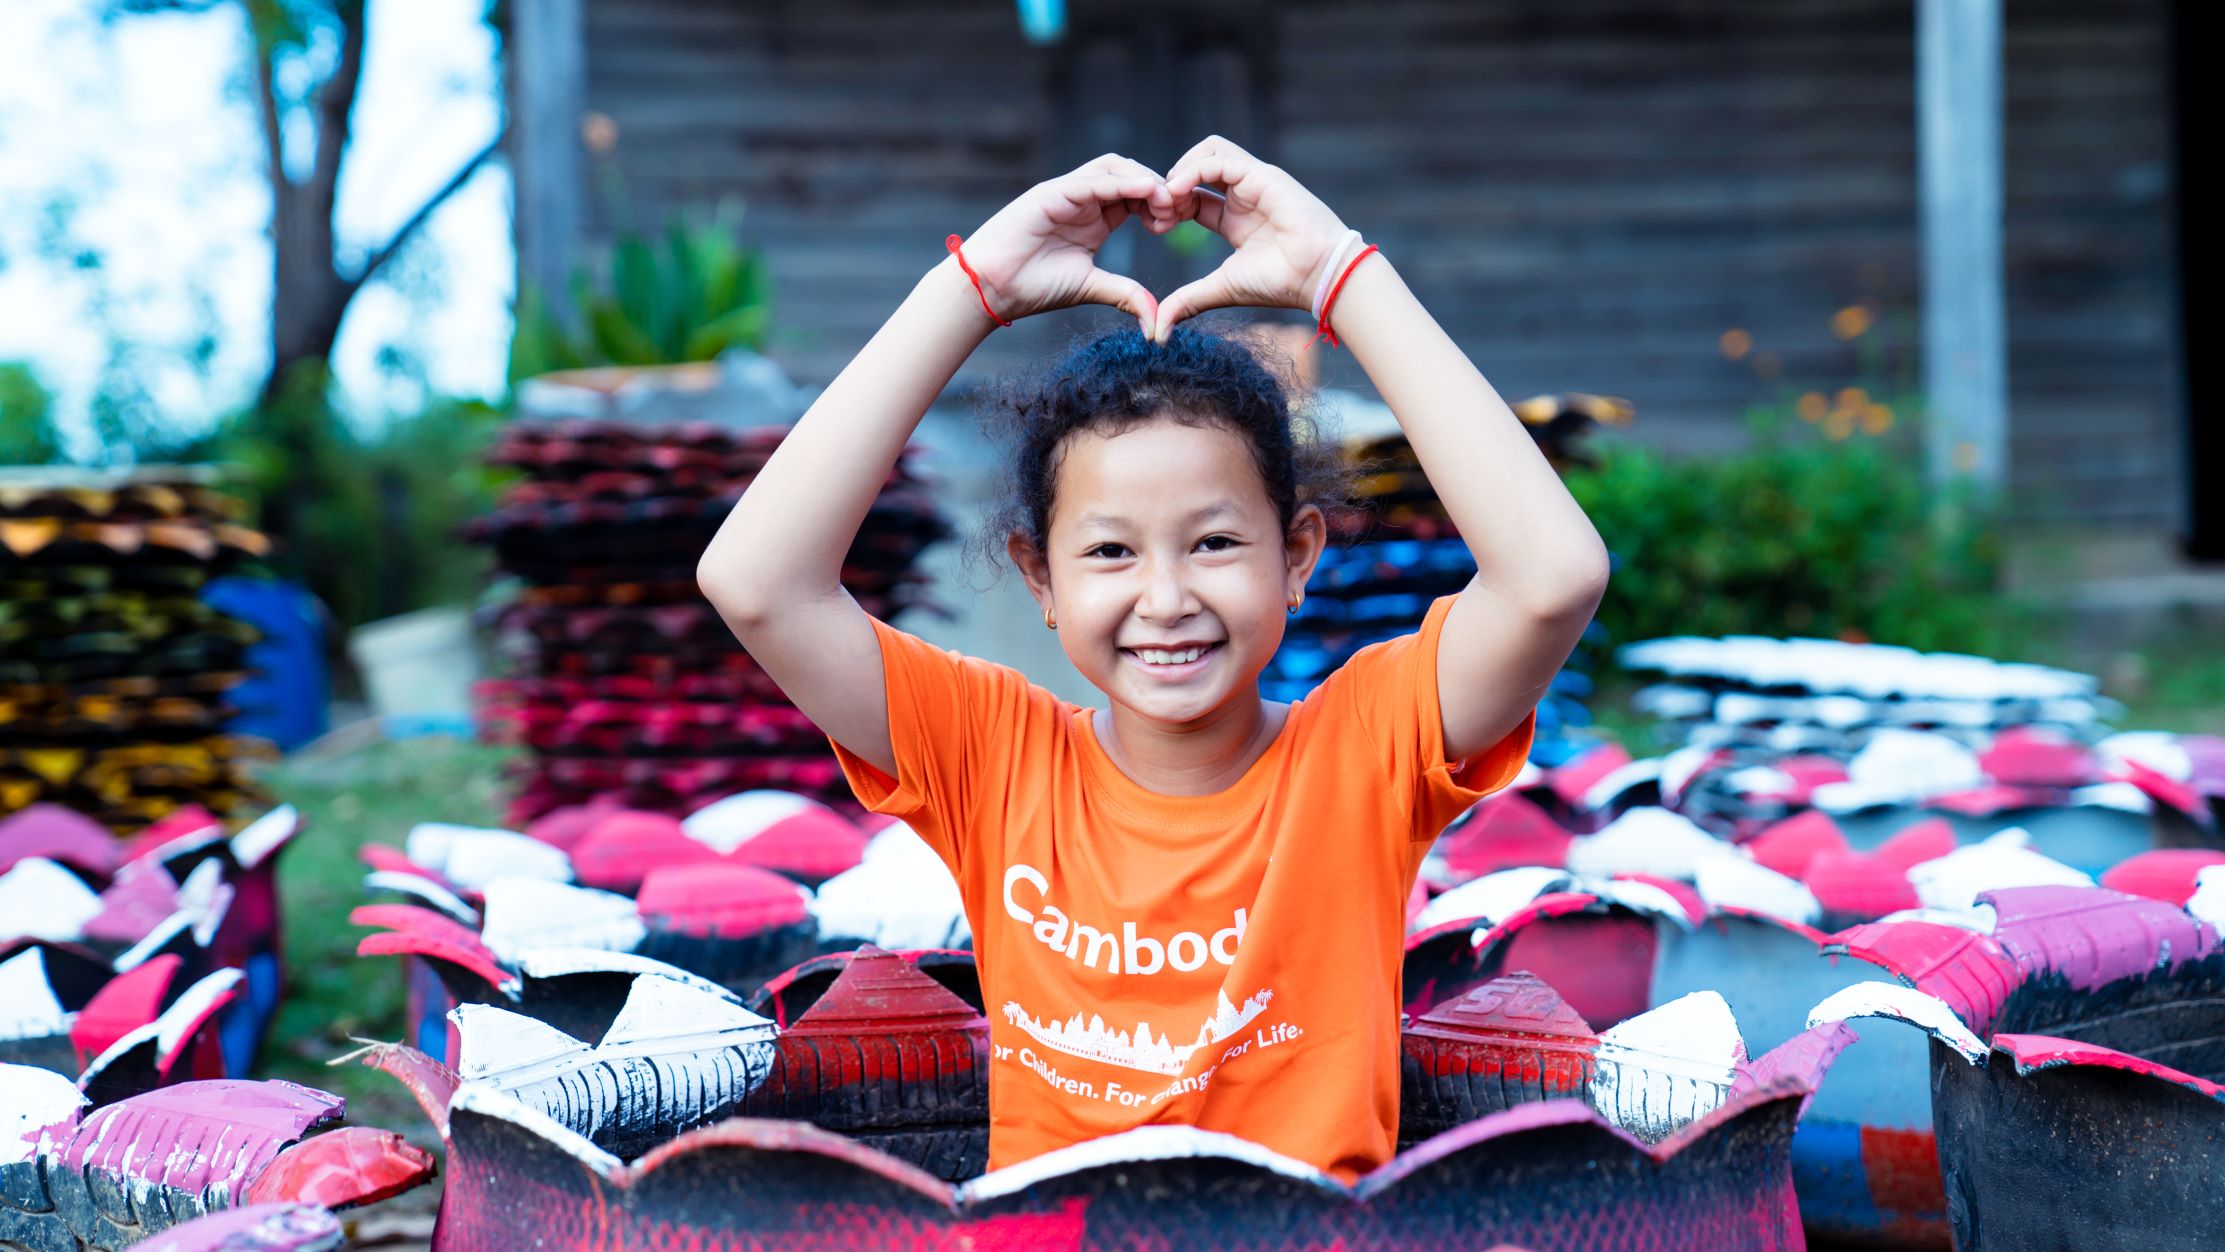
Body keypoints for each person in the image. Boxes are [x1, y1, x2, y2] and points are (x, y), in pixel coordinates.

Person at [697, 136, 1609, 1182]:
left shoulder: (1365, 749)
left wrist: (1338, 277)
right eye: (1108, 552)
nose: (1165, 600)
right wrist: (970, 289)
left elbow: (1551, 577)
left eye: (1214, 541)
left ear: (1297, 556)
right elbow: (756, 583)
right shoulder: (992, 757)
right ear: (1038, 580)